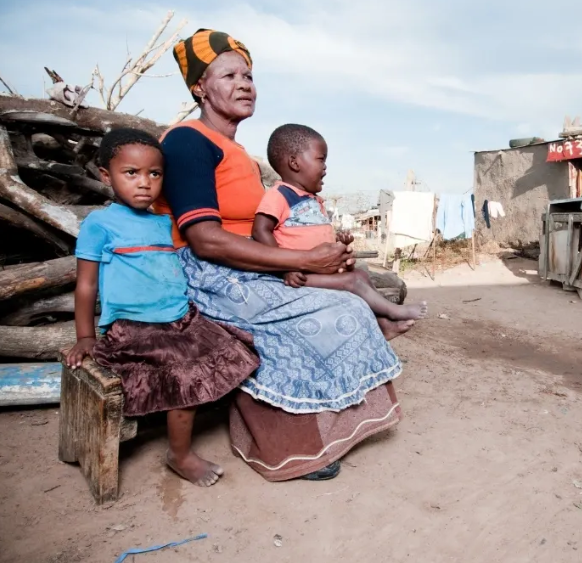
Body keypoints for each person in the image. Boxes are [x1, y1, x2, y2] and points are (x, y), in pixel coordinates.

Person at [153, 29, 406, 482]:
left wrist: (320, 255)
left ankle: (329, 427)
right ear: (200, 87)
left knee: (348, 296)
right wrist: (303, 262)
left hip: (242, 266)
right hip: (206, 274)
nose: (244, 84)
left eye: (248, 75)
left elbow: (266, 230)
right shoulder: (187, 141)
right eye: (229, 75)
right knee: (329, 313)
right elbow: (205, 240)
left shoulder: (240, 156)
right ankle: (286, 447)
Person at [64, 128, 260, 487]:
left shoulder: (161, 222)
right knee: (184, 375)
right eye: (131, 173)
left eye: (154, 174)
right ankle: (179, 455)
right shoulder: (99, 224)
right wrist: (85, 336)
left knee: (236, 347)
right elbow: (86, 285)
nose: (145, 183)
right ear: (106, 176)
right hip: (134, 327)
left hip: (180, 319)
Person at [252, 123, 428, 323]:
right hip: (299, 276)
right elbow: (260, 230)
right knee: (353, 281)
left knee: (361, 275)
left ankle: (378, 318)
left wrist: (340, 245)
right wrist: (285, 268)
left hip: (318, 270)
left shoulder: (313, 200)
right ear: (294, 163)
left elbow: (311, 237)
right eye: (321, 159)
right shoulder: (279, 195)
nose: (325, 168)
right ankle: (393, 312)